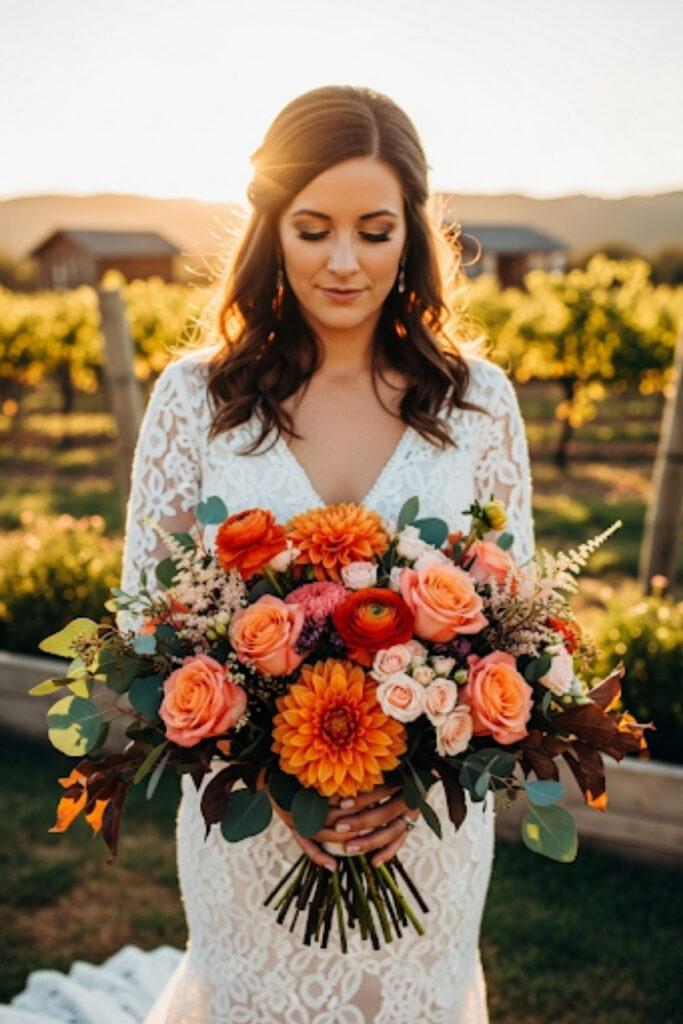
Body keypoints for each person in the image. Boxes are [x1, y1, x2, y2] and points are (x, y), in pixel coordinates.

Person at [2, 85, 534, 1024]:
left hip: (424, 833)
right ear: (270, 227)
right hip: (248, 830)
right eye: (312, 226)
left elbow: (515, 619)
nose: (342, 261)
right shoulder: (195, 399)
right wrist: (272, 780)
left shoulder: (478, 401)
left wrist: (418, 777)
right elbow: (145, 625)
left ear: (412, 232)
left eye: (374, 230)